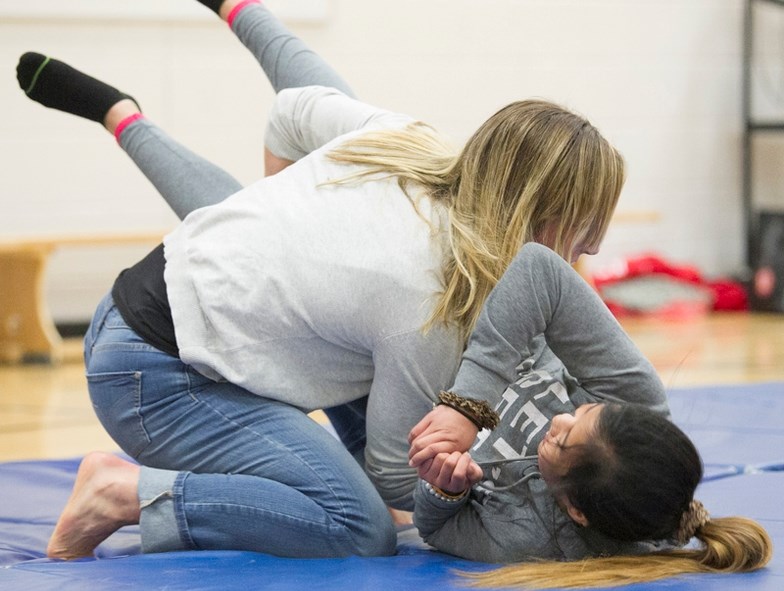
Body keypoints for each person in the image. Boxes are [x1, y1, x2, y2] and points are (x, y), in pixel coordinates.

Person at [17, 0, 625, 560]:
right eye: (587, 227)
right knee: (360, 525)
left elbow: (290, 110)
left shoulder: (407, 140)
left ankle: (134, 110)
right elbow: (393, 473)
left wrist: (273, 212)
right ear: (538, 216)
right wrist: (459, 486)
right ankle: (121, 493)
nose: (594, 246)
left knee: (357, 331)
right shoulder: (429, 302)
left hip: (159, 296)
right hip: (151, 377)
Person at [407, 243, 773, 590]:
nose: (559, 421)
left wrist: (446, 491)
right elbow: (539, 268)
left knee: (390, 482)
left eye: (561, 442)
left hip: (420, 385)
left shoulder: (533, 538)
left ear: (574, 509)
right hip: (482, 313)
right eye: (586, 410)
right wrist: (467, 405)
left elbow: (437, 528)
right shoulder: (638, 398)